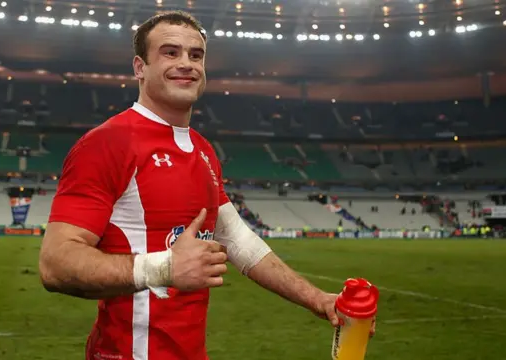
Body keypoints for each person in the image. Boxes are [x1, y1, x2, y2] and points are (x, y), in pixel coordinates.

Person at [39, 10, 375, 360]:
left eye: (195, 55)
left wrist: (318, 299)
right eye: (170, 52)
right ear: (140, 67)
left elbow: (238, 241)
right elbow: (56, 265)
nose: (186, 63)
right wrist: (164, 268)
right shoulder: (107, 143)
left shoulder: (203, 150)